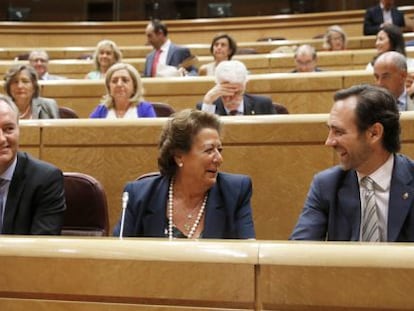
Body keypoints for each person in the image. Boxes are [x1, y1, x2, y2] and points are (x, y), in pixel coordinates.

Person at [290, 84, 414, 242]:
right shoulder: (327, 185)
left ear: (374, 133)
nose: (329, 142)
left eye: (339, 132)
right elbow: (299, 254)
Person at [113, 109, 255, 239]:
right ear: (179, 156)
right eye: (209, 150)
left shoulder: (235, 192)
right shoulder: (139, 196)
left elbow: (248, 254)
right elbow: (117, 257)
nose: (219, 159)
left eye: (219, 150)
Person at [0, 94, 66, 234]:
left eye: (9, 129)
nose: (1, 139)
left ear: (19, 131)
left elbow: (41, 247)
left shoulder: (46, 180)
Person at [196, 60, 276, 116]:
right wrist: (208, 102)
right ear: (218, 87)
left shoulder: (263, 104)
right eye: (226, 92)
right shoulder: (206, 106)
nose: (231, 98)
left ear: (244, 86)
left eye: (237, 93)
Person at [89, 63, 156, 119]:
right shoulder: (101, 110)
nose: (119, 84)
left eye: (125, 80)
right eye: (114, 81)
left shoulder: (145, 109)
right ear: (109, 87)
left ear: (134, 86)